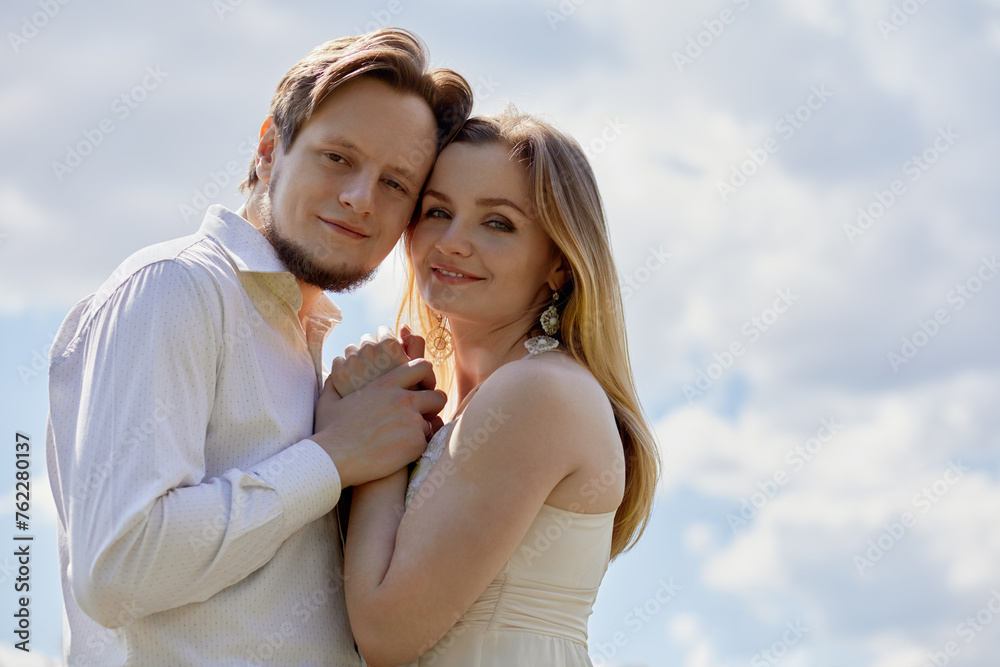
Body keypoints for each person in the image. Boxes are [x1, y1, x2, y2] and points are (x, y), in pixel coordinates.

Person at [44, 29, 472, 665]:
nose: (360, 198)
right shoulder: (176, 287)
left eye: (395, 184)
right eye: (337, 158)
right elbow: (118, 569)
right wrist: (331, 459)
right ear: (271, 149)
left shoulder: (302, 341)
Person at [334, 112, 661, 666]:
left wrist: (383, 441)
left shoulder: (540, 392)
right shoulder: (475, 400)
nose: (453, 242)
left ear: (558, 264)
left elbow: (385, 633)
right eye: (437, 211)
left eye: (498, 223)